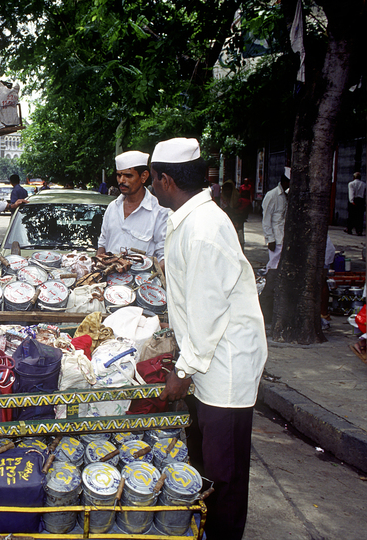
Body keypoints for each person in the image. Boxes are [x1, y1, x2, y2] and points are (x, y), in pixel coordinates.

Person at [151, 137, 267, 540]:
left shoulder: (202, 229)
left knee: (224, 473)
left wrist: (181, 371)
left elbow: (206, 312)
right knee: (205, 463)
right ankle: (206, 528)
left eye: (151, 179)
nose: (150, 186)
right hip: (207, 361)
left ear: (165, 180)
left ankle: (223, 533)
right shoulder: (188, 218)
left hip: (224, 366)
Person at [97, 150, 168, 262]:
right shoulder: (112, 207)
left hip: (143, 279)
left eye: (128, 176)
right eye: (119, 175)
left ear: (143, 176)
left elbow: (163, 257)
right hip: (107, 277)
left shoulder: (159, 212)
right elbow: (102, 243)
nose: (121, 181)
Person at [260, 168, 290, 324]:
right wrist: (270, 238)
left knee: (278, 272)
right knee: (273, 271)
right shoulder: (272, 195)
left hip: (283, 239)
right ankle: (265, 309)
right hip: (275, 240)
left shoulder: (285, 195)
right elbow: (266, 219)